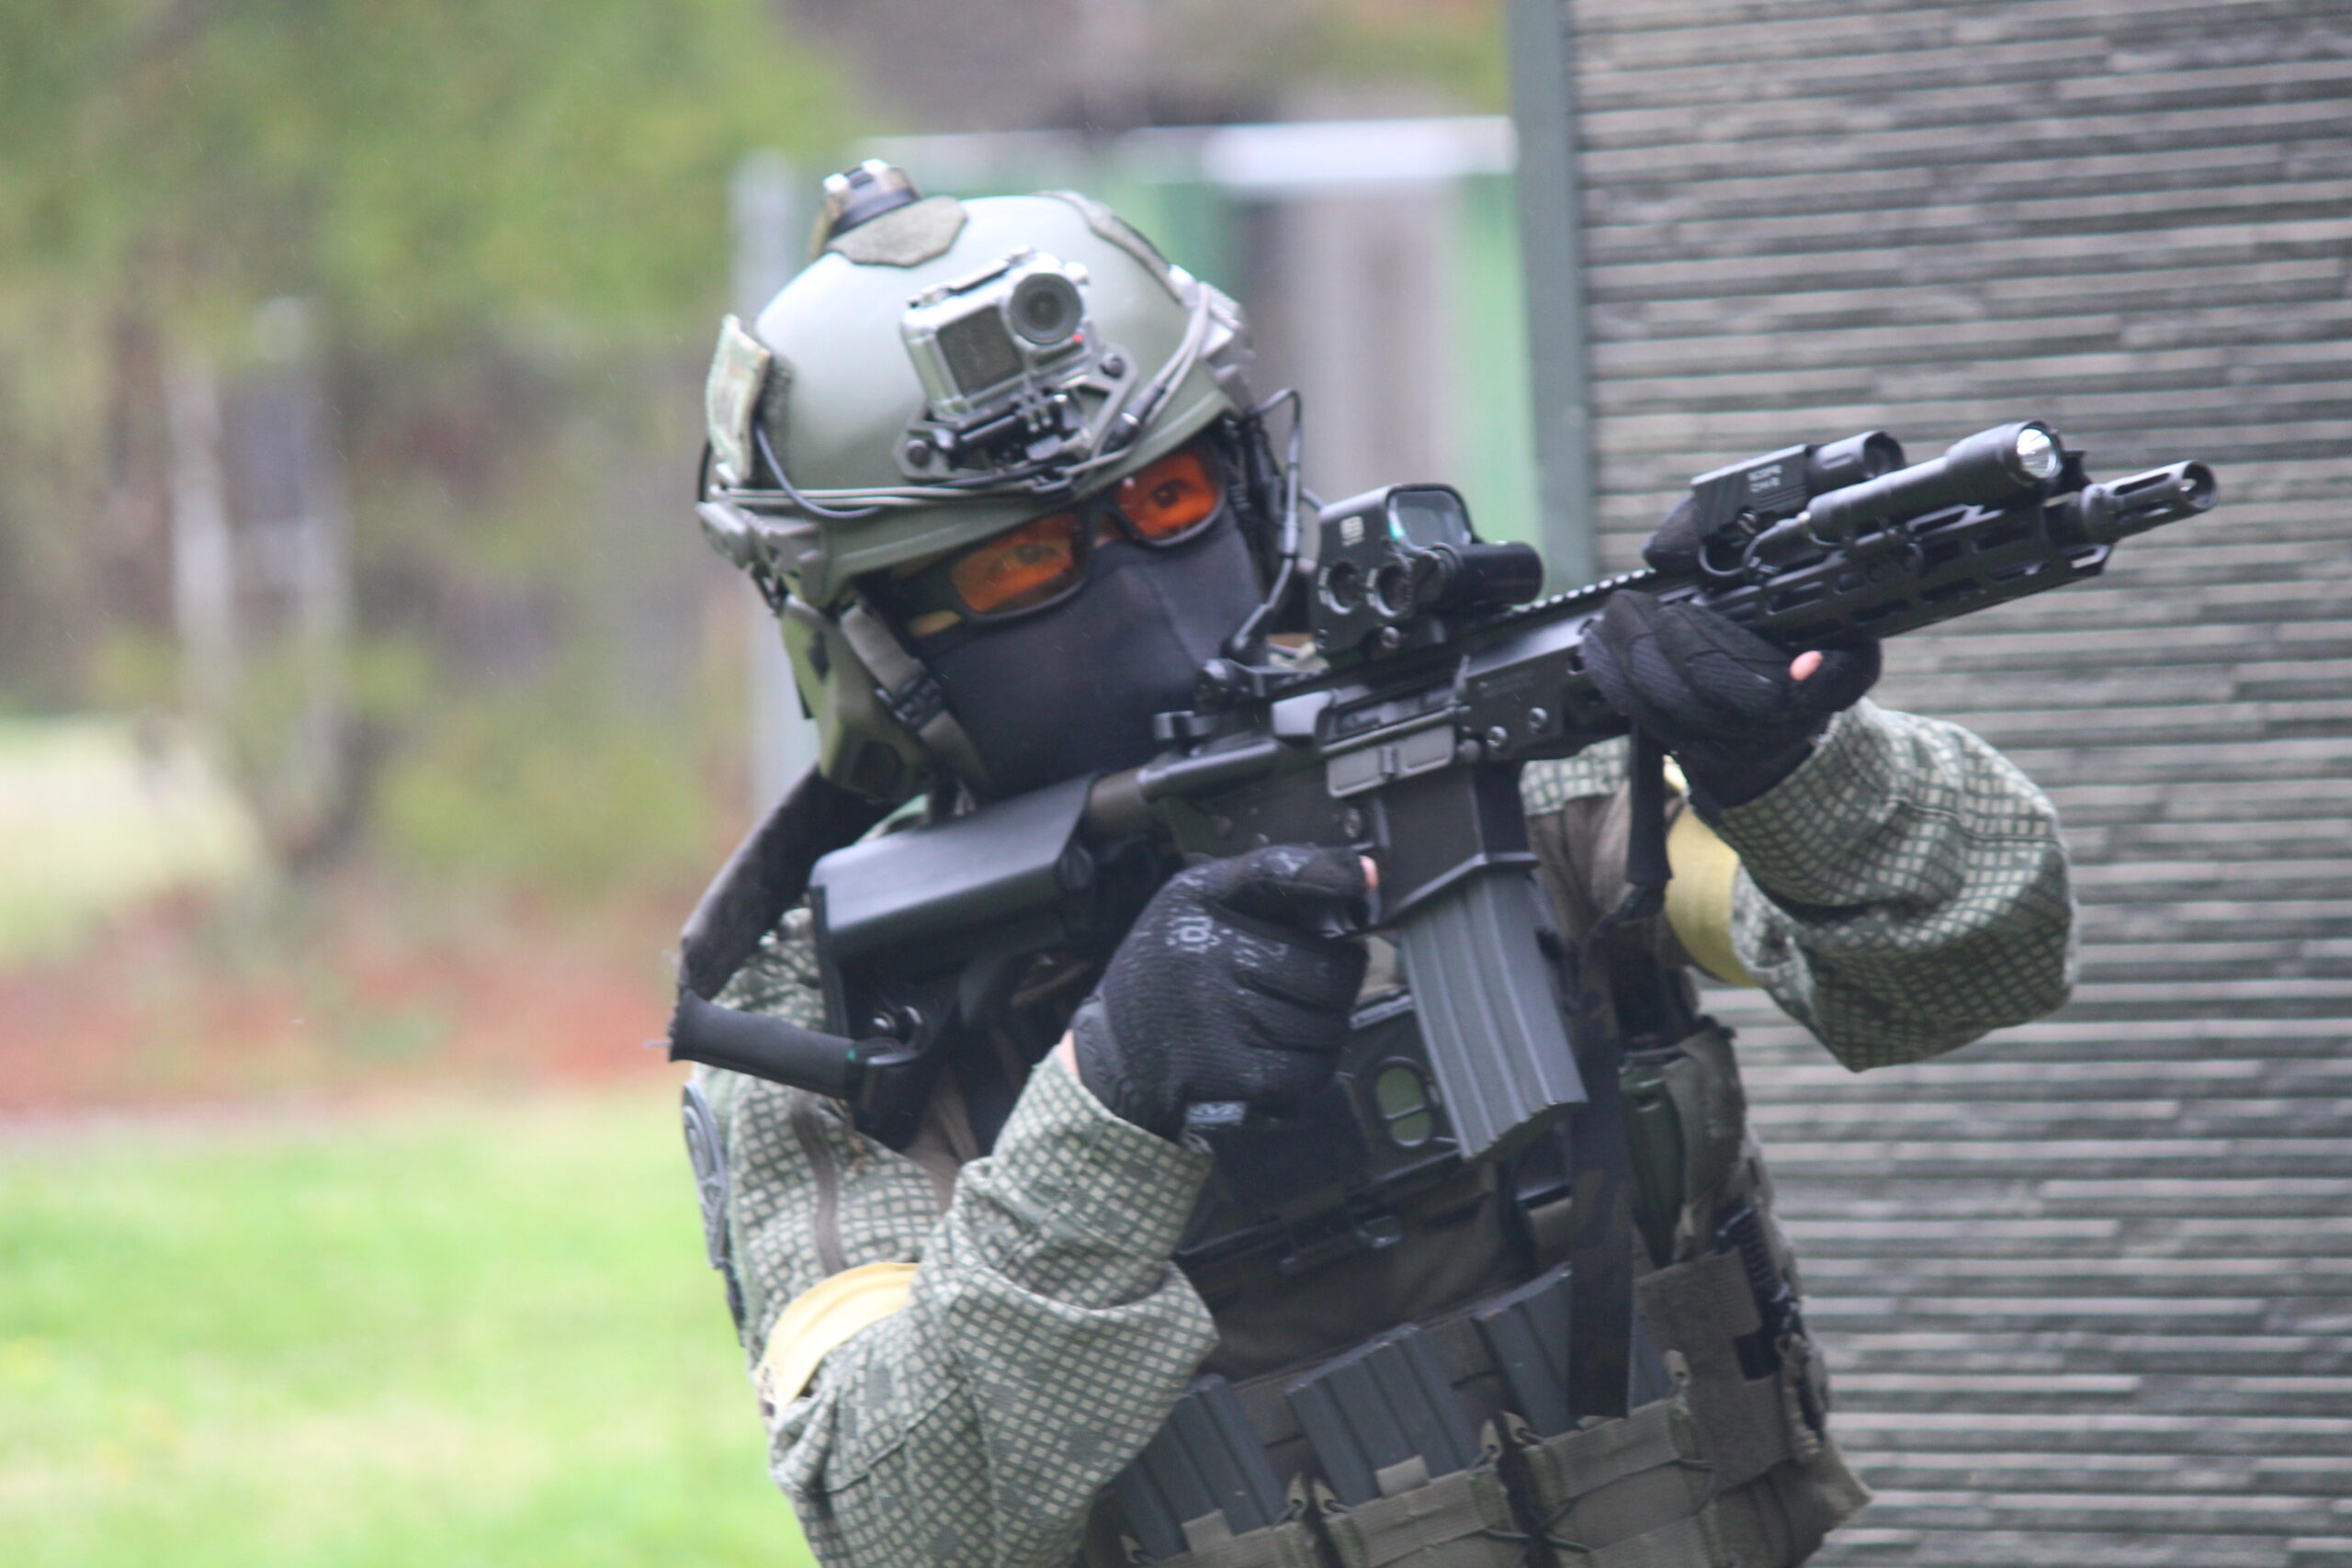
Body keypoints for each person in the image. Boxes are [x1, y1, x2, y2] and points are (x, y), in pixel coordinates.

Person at [676, 163, 2075, 1568]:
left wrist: (1790, 768)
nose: (1134, 578)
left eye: (1169, 498)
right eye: (1018, 567)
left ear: (1247, 485)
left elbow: (1972, 966)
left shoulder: (1518, 763)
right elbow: (904, 1522)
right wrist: (1111, 1098)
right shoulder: (832, 1016)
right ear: (874, 636)